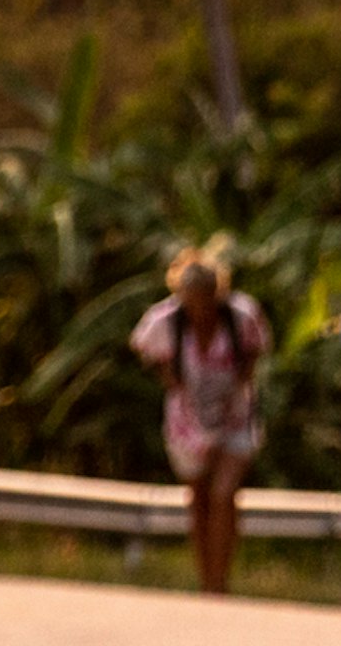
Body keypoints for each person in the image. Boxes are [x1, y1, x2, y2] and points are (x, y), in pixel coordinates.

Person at [128, 246, 271, 593]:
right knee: (199, 498)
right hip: (187, 418)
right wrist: (173, 379)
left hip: (234, 414)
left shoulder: (240, 316)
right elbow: (144, 351)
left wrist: (232, 394)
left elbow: (256, 352)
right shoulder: (166, 321)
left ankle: (221, 581)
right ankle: (206, 581)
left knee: (224, 494)